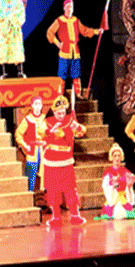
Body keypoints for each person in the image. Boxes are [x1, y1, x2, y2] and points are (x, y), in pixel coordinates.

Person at [39, 95, 87, 226]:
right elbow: (40, 133)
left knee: (70, 190)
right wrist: (51, 131)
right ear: (54, 112)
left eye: (63, 112)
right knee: (53, 191)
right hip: (51, 162)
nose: (61, 115)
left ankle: (75, 216)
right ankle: (56, 218)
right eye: (58, 113)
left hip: (66, 162)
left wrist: (78, 127)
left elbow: (81, 132)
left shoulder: (69, 120)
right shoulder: (47, 122)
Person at [46, 0, 102, 99]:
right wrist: (57, 43)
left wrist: (96, 31)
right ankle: (60, 95)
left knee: (76, 74)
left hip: (75, 51)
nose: (69, 9)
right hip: (64, 52)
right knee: (62, 75)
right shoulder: (59, 20)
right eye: (67, 7)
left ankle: (78, 93)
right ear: (64, 8)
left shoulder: (75, 20)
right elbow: (50, 32)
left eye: (71, 7)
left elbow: (84, 30)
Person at [94, 143, 135, 220]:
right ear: (112, 157)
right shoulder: (108, 173)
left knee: (127, 213)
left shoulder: (125, 171)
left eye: (118, 155)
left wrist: (131, 183)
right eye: (115, 156)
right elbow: (106, 187)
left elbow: (129, 186)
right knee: (115, 213)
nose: (117, 158)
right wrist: (113, 183)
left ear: (121, 157)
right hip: (113, 198)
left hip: (123, 198)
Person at [0, 0, 26, 79]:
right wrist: (5, 22)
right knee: (4, 50)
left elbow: (21, 13)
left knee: (17, 49)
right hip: (5, 29)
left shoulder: (17, 0)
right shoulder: (1, 1)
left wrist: (12, 17)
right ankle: (5, 72)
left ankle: (20, 71)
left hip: (14, 29)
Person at [14, 95, 47, 191]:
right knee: (30, 173)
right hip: (32, 149)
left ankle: (44, 194)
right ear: (32, 105)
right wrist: (25, 145)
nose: (38, 106)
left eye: (39, 104)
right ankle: (30, 192)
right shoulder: (27, 119)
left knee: (46, 173)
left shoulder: (45, 118)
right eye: (36, 104)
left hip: (44, 149)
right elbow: (18, 134)